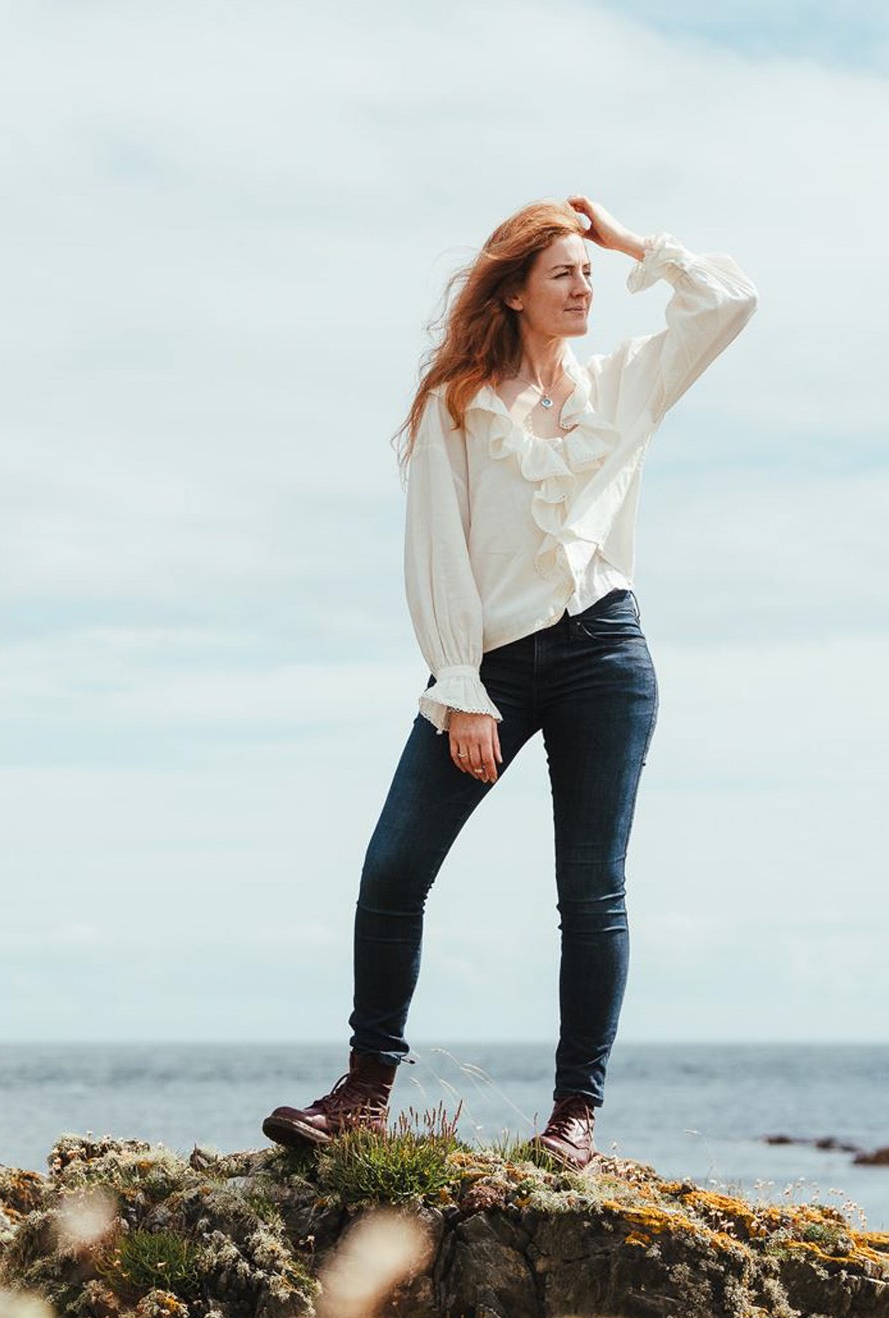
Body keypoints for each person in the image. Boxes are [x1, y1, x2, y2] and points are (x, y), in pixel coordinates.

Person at [262, 195, 758, 1170]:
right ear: (517, 292)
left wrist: (631, 243)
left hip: (605, 657)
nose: (584, 287)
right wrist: (458, 683)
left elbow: (729, 302)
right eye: (564, 272)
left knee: (590, 890)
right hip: (485, 665)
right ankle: (365, 1089)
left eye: (588, 273)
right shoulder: (458, 401)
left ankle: (573, 1113)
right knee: (394, 868)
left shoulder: (625, 381)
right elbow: (434, 547)